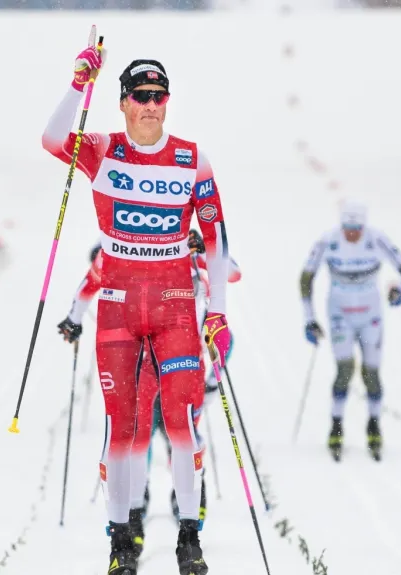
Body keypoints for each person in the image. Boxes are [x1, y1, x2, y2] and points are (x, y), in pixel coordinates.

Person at [43, 42, 231, 575]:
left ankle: (189, 537)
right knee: (122, 428)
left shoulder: (192, 158)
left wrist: (217, 309)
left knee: (180, 423)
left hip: (173, 307)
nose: (151, 105)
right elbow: (52, 139)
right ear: (123, 102)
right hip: (119, 308)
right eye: (141, 96)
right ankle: (122, 541)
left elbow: (216, 241)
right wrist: (80, 80)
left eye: (159, 96)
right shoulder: (104, 150)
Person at [56, 232, 241, 564]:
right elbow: (86, 287)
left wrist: (199, 247)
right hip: (140, 364)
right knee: (138, 437)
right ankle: (135, 512)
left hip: (182, 358)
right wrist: (73, 320)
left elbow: (231, 272)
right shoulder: (116, 251)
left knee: (182, 432)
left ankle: (187, 506)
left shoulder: (183, 249)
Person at [298, 200, 401, 461]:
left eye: (357, 230)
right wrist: (310, 319)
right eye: (348, 229)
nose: (352, 235)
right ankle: (336, 427)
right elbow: (306, 278)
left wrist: (400, 291)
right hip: (340, 316)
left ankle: (374, 425)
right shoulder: (328, 241)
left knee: (371, 373)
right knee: (345, 370)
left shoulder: (377, 239)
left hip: (371, 317)